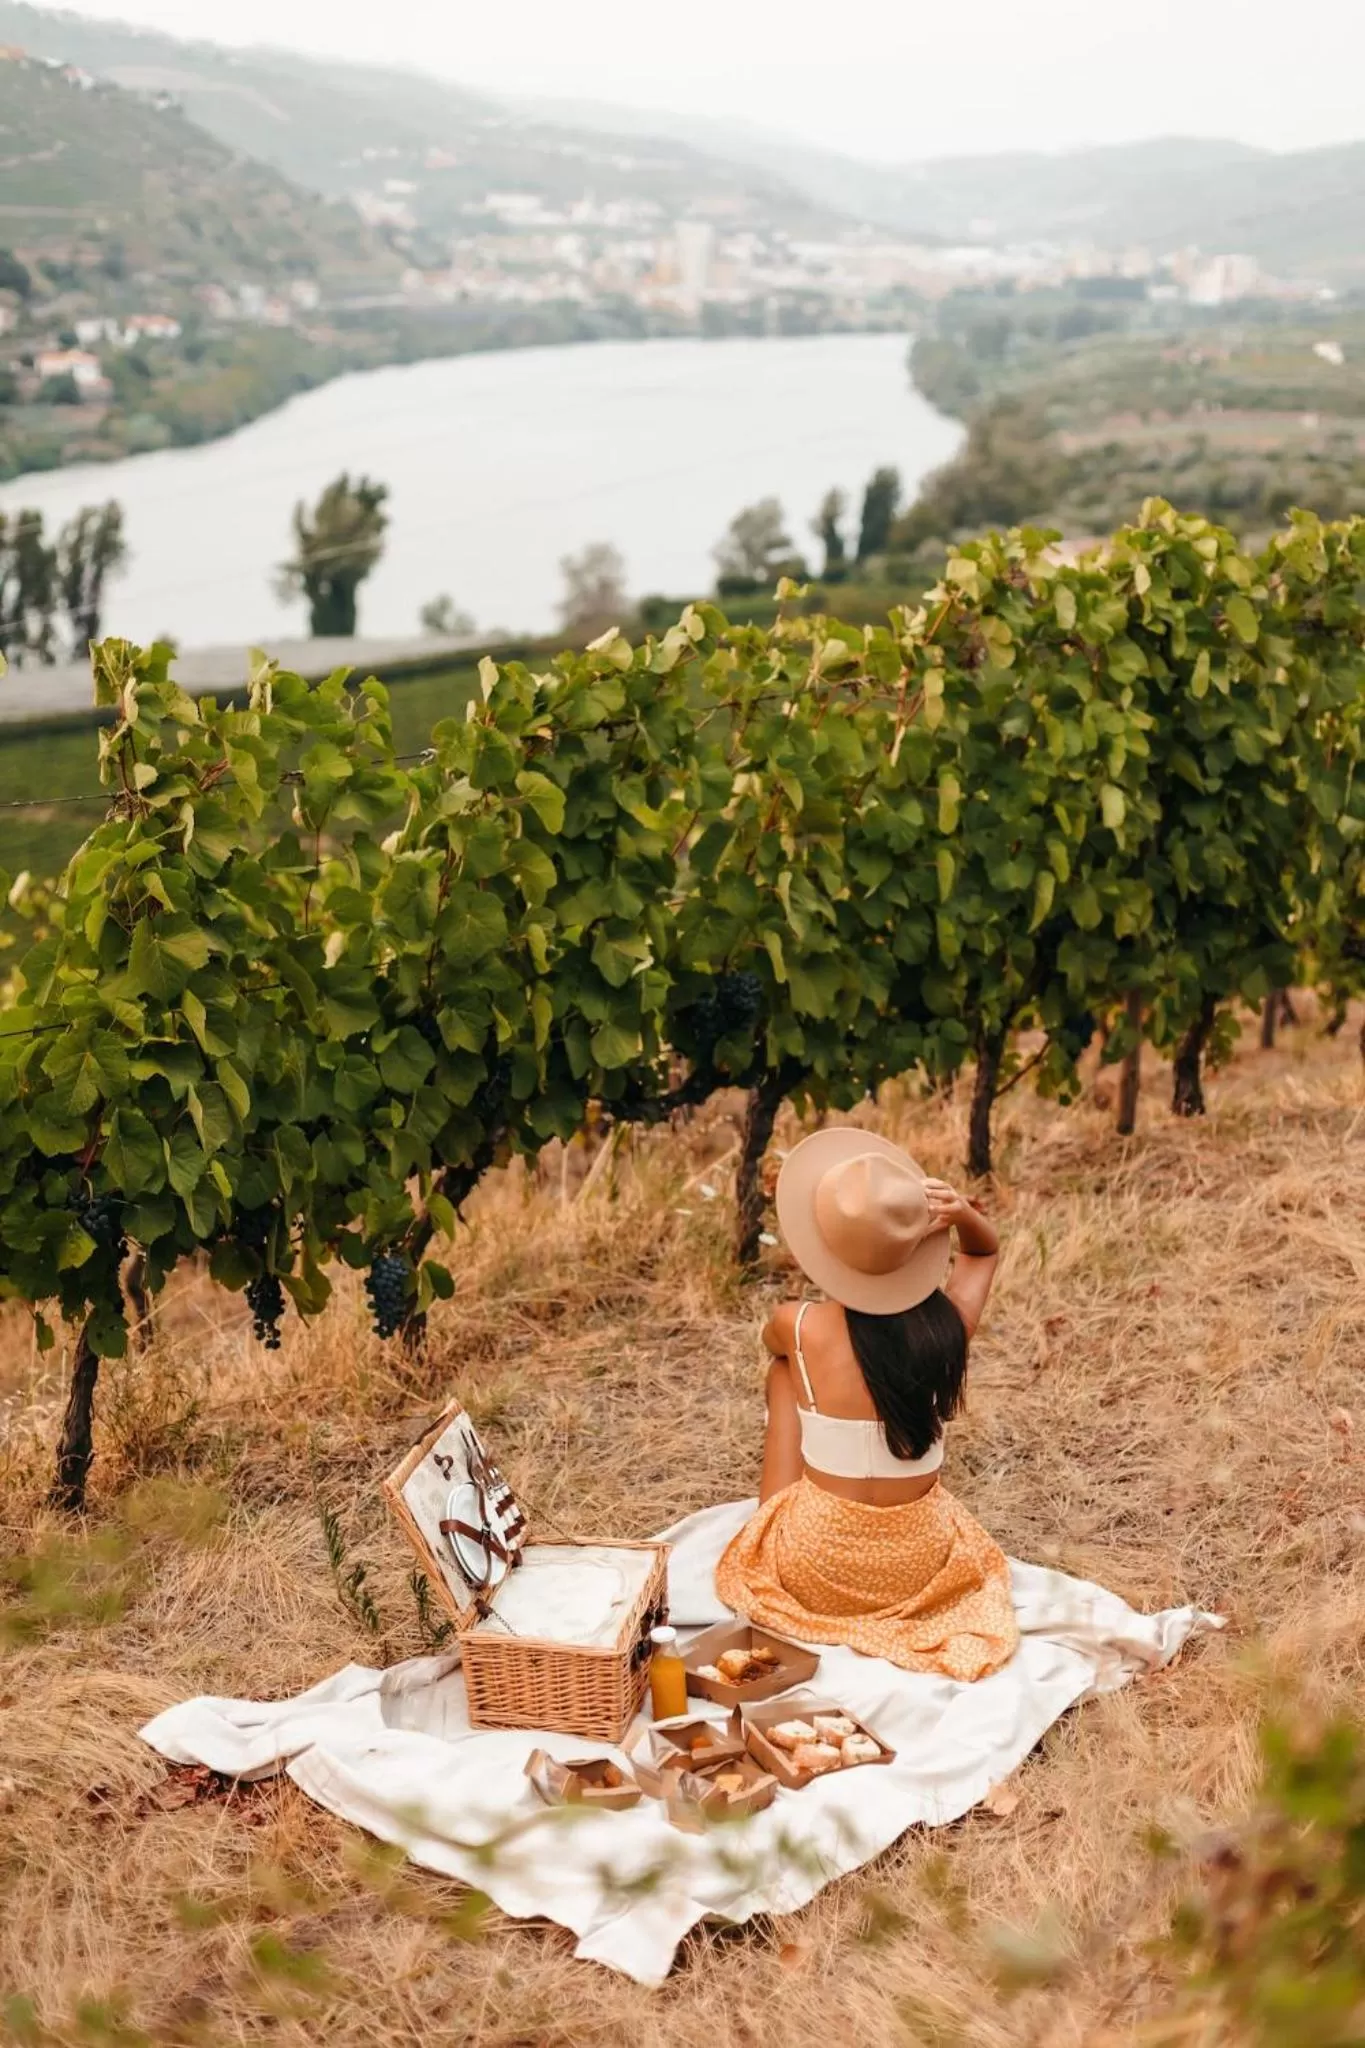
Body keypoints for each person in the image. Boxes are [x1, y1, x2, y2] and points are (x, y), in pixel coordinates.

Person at [714, 1126, 1019, 1680]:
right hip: (919, 1569)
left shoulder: (799, 1324)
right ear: (916, 1246)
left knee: (784, 1371)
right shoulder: (947, 1331)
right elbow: (985, 1251)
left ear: (825, 1250)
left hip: (816, 1566)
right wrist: (965, 1216)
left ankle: (778, 1509)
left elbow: (774, 1345)